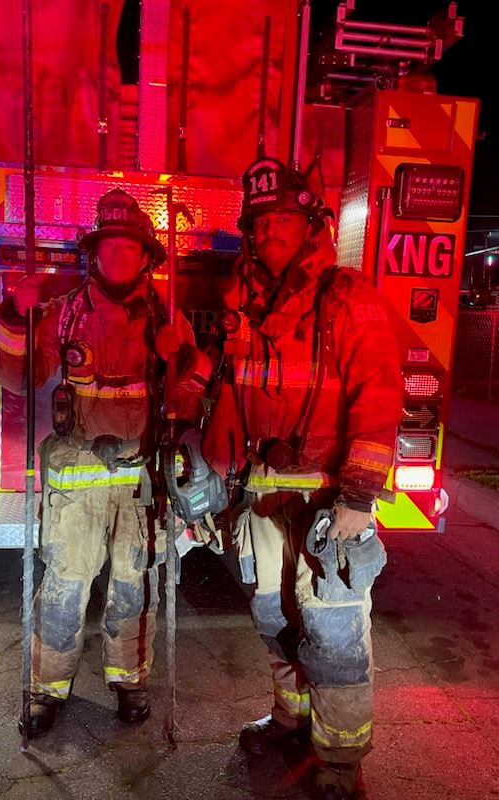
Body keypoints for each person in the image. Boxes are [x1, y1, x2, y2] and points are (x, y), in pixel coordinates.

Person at [202, 157, 402, 800]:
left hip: (328, 498)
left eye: (280, 219)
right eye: (258, 223)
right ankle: (291, 717)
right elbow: (229, 398)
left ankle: (339, 759)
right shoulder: (246, 304)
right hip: (264, 492)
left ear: (310, 224)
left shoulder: (347, 295)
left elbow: (378, 394)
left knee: (334, 626)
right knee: (273, 612)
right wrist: (219, 480)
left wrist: (359, 495)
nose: (267, 231)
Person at [0, 188, 206, 737]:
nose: (117, 255)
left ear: (145, 257)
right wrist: (16, 316)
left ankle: (130, 682)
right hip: (78, 475)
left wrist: (179, 358)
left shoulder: (167, 318)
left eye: (128, 247)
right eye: (108, 246)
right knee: (65, 586)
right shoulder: (63, 315)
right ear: (94, 254)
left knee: (134, 586)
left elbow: (192, 398)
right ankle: (46, 689)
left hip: (141, 479)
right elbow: (18, 378)